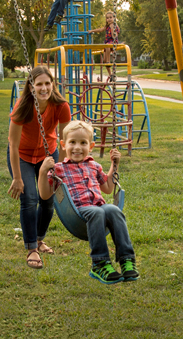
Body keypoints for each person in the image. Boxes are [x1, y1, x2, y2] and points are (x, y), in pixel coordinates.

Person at [38, 120, 139, 284]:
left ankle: (127, 260)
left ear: (91, 146)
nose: (77, 147)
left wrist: (115, 165)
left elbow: (107, 188)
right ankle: (99, 264)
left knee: (114, 210)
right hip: (77, 212)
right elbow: (44, 195)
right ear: (63, 145)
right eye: (72, 142)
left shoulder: (94, 166)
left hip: (99, 207)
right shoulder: (58, 169)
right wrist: (43, 172)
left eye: (83, 143)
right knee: (97, 211)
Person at [7, 66, 71, 269]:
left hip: (47, 154)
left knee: (47, 199)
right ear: (31, 86)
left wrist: (59, 168)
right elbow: (13, 145)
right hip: (23, 156)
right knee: (29, 197)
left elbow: (64, 141)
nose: (44, 88)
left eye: (47, 83)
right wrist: (17, 178)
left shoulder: (61, 106)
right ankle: (31, 248)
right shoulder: (22, 107)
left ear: (53, 84)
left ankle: (40, 239)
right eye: (39, 84)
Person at [88, 11, 120, 81]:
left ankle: (108, 61)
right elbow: (100, 29)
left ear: (114, 18)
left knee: (107, 46)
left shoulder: (115, 26)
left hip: (113, 42)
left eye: (110, 17)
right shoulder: (107, 26)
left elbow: (114, 36)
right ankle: (111, 75)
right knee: (104, 60)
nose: (109, 19)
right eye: (107, 18)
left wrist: (112, 28)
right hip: (107, 44)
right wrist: (92, 31)